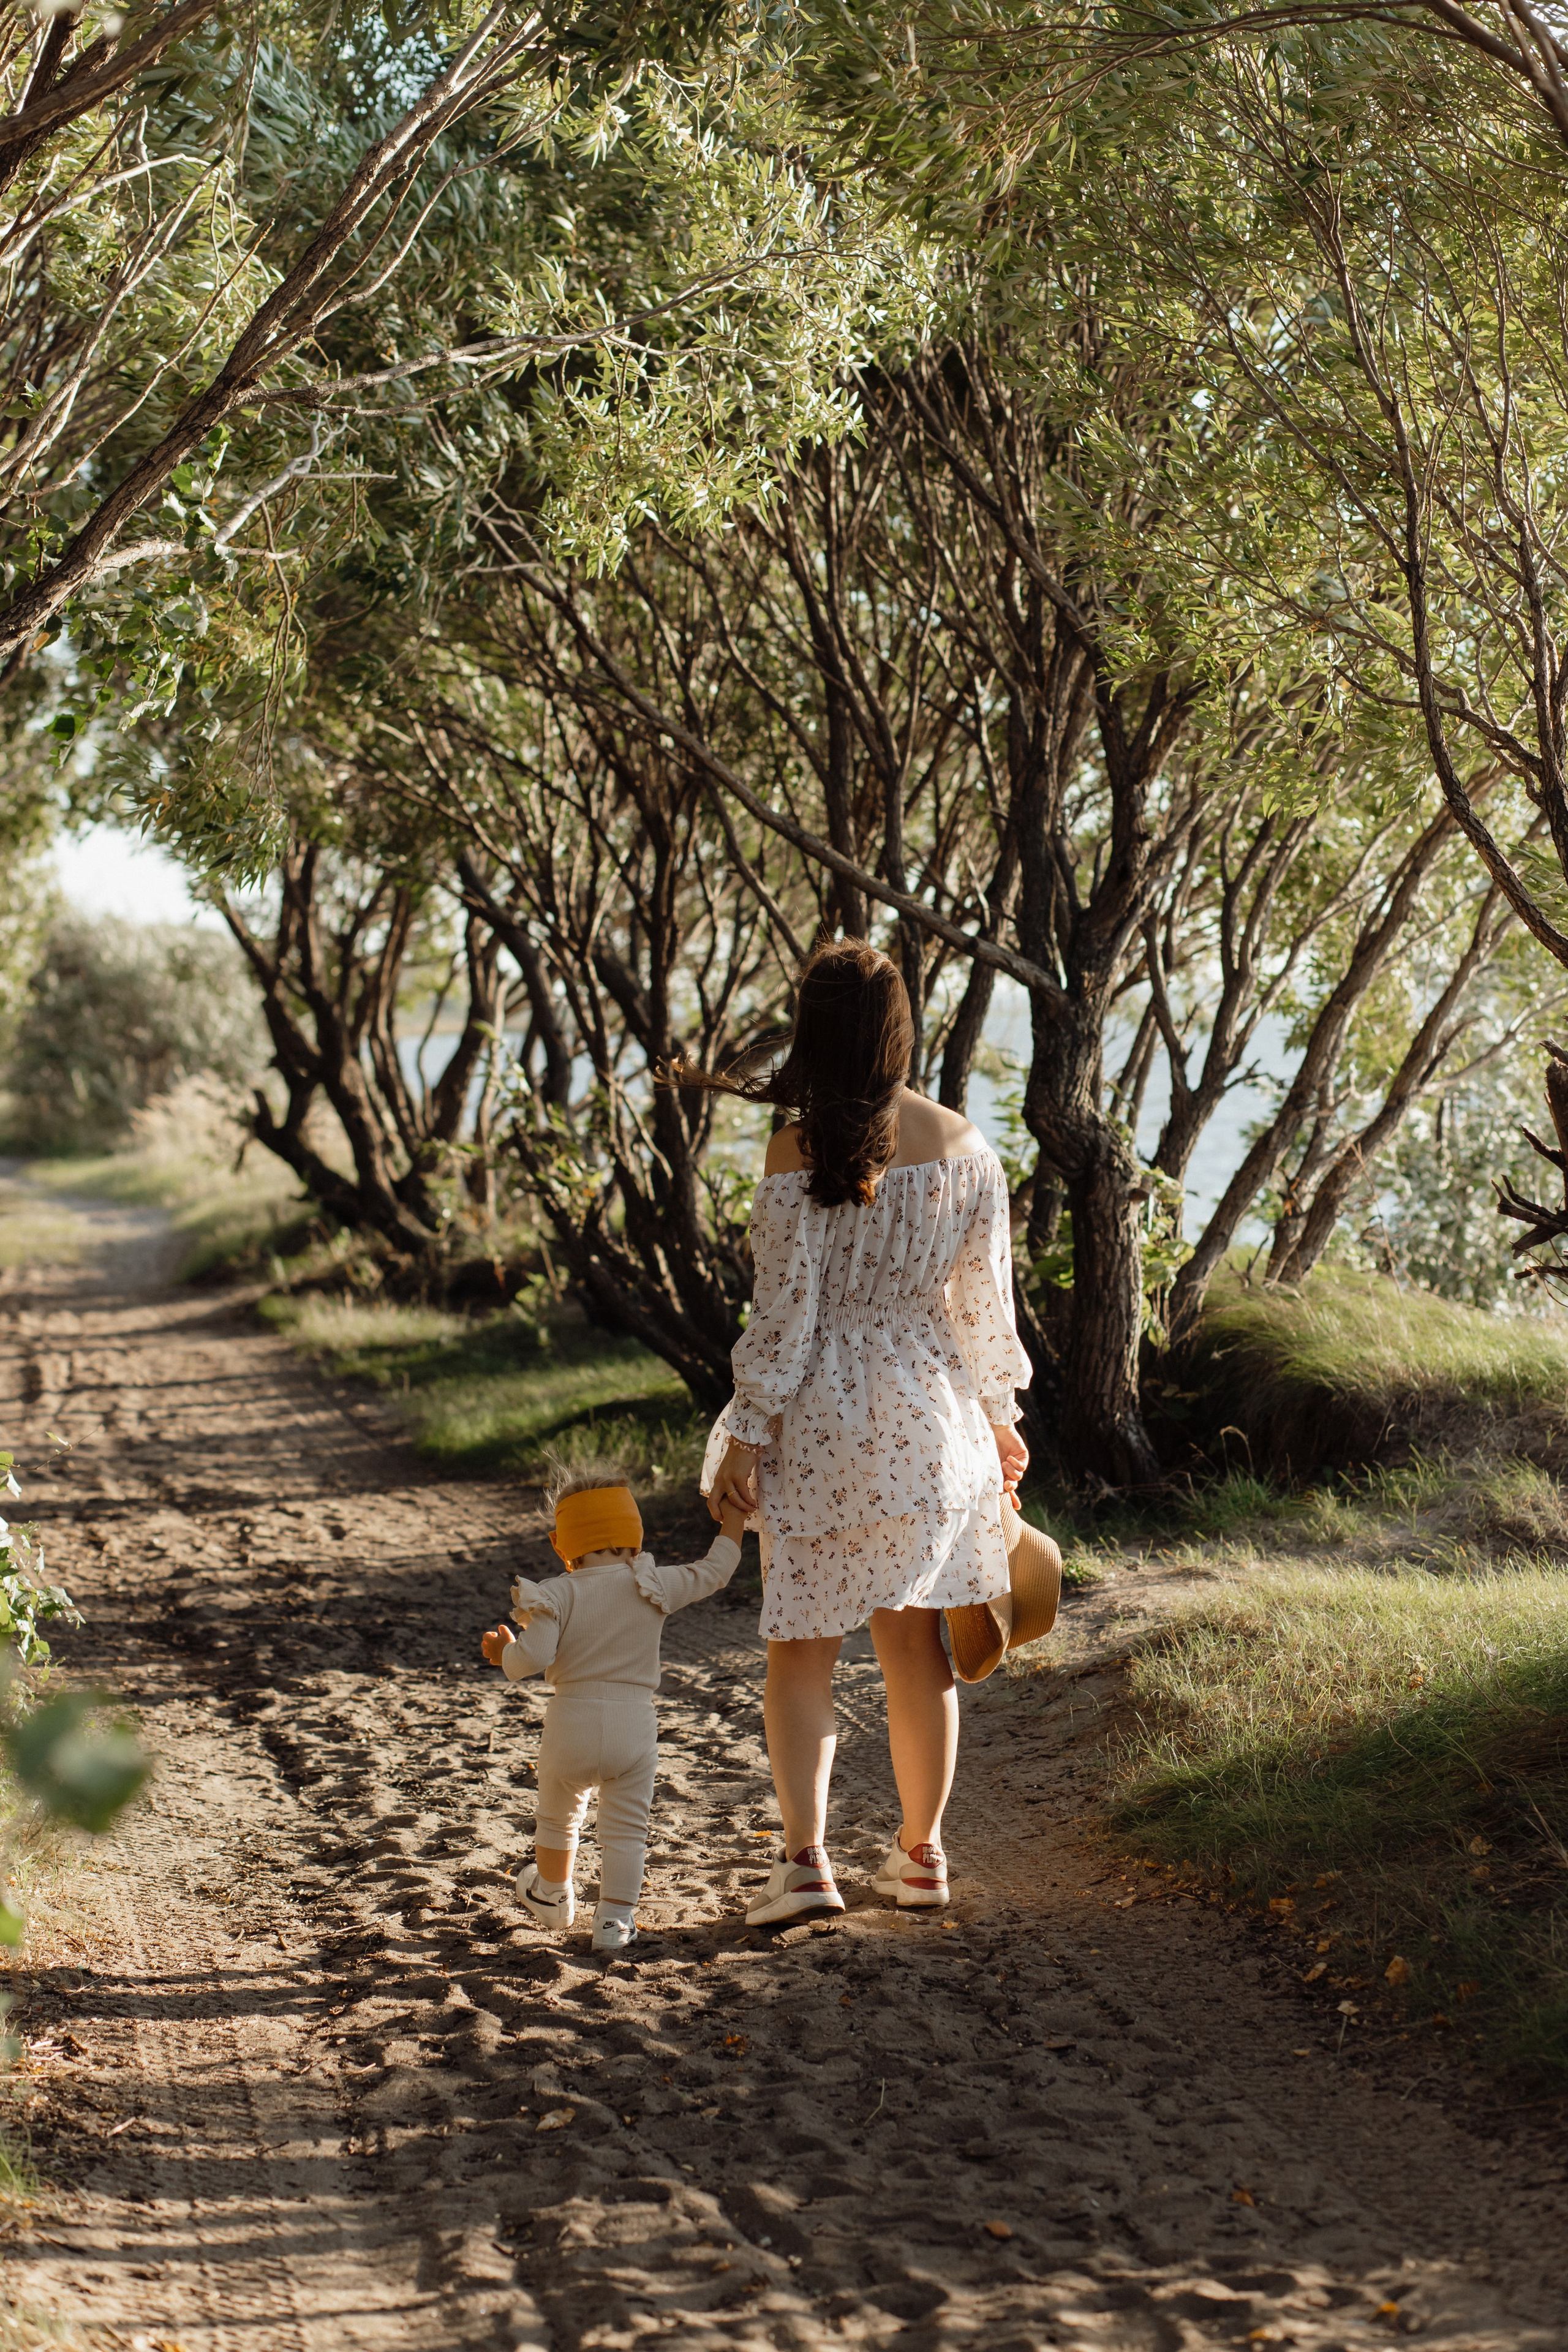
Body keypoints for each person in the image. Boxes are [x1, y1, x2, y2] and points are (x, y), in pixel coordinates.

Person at [682, 938, 1030, 1925]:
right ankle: (923, 1860)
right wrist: (1002, 1422)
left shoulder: (801, 1149)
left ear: (814, 1031)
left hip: (826, 1428)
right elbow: (984, 1317)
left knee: (802, 1649)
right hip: (934, 1427)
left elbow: (784, 1322)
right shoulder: (969, 1147)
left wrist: (745, 1439)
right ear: (898, 1028)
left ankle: (806, 1866)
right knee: (920, 1653)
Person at [481, 1468, 748, 1951]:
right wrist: (733, 1517)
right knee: (627, 1828)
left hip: (571, 1722)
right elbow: (717, 1570)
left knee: (559, 1816)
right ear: (635, 1535)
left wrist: (504, 1652)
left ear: (562, 1545)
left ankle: (552, 1894)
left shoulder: (556, 1593)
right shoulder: (655, 1584)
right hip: (633, 1725)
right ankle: (615, 1921)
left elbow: (532, 1659)